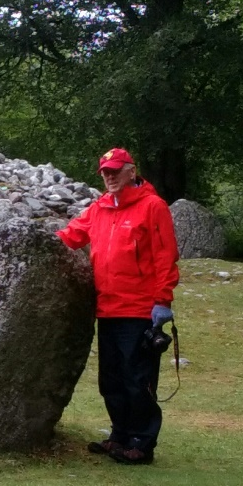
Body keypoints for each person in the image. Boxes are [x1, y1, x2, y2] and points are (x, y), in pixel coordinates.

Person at [57, 147, 180, 465]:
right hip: (107, 309)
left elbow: (165, 255)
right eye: (105, 172)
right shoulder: (98, 209)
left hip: (139, 310)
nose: (109, 176)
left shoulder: (153, 207)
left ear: (132, 170)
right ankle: (120, 435)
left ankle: (142, 441)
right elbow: (70, 236)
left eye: (115, 170)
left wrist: (162, 301)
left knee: (137, 378)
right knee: (110, 379)